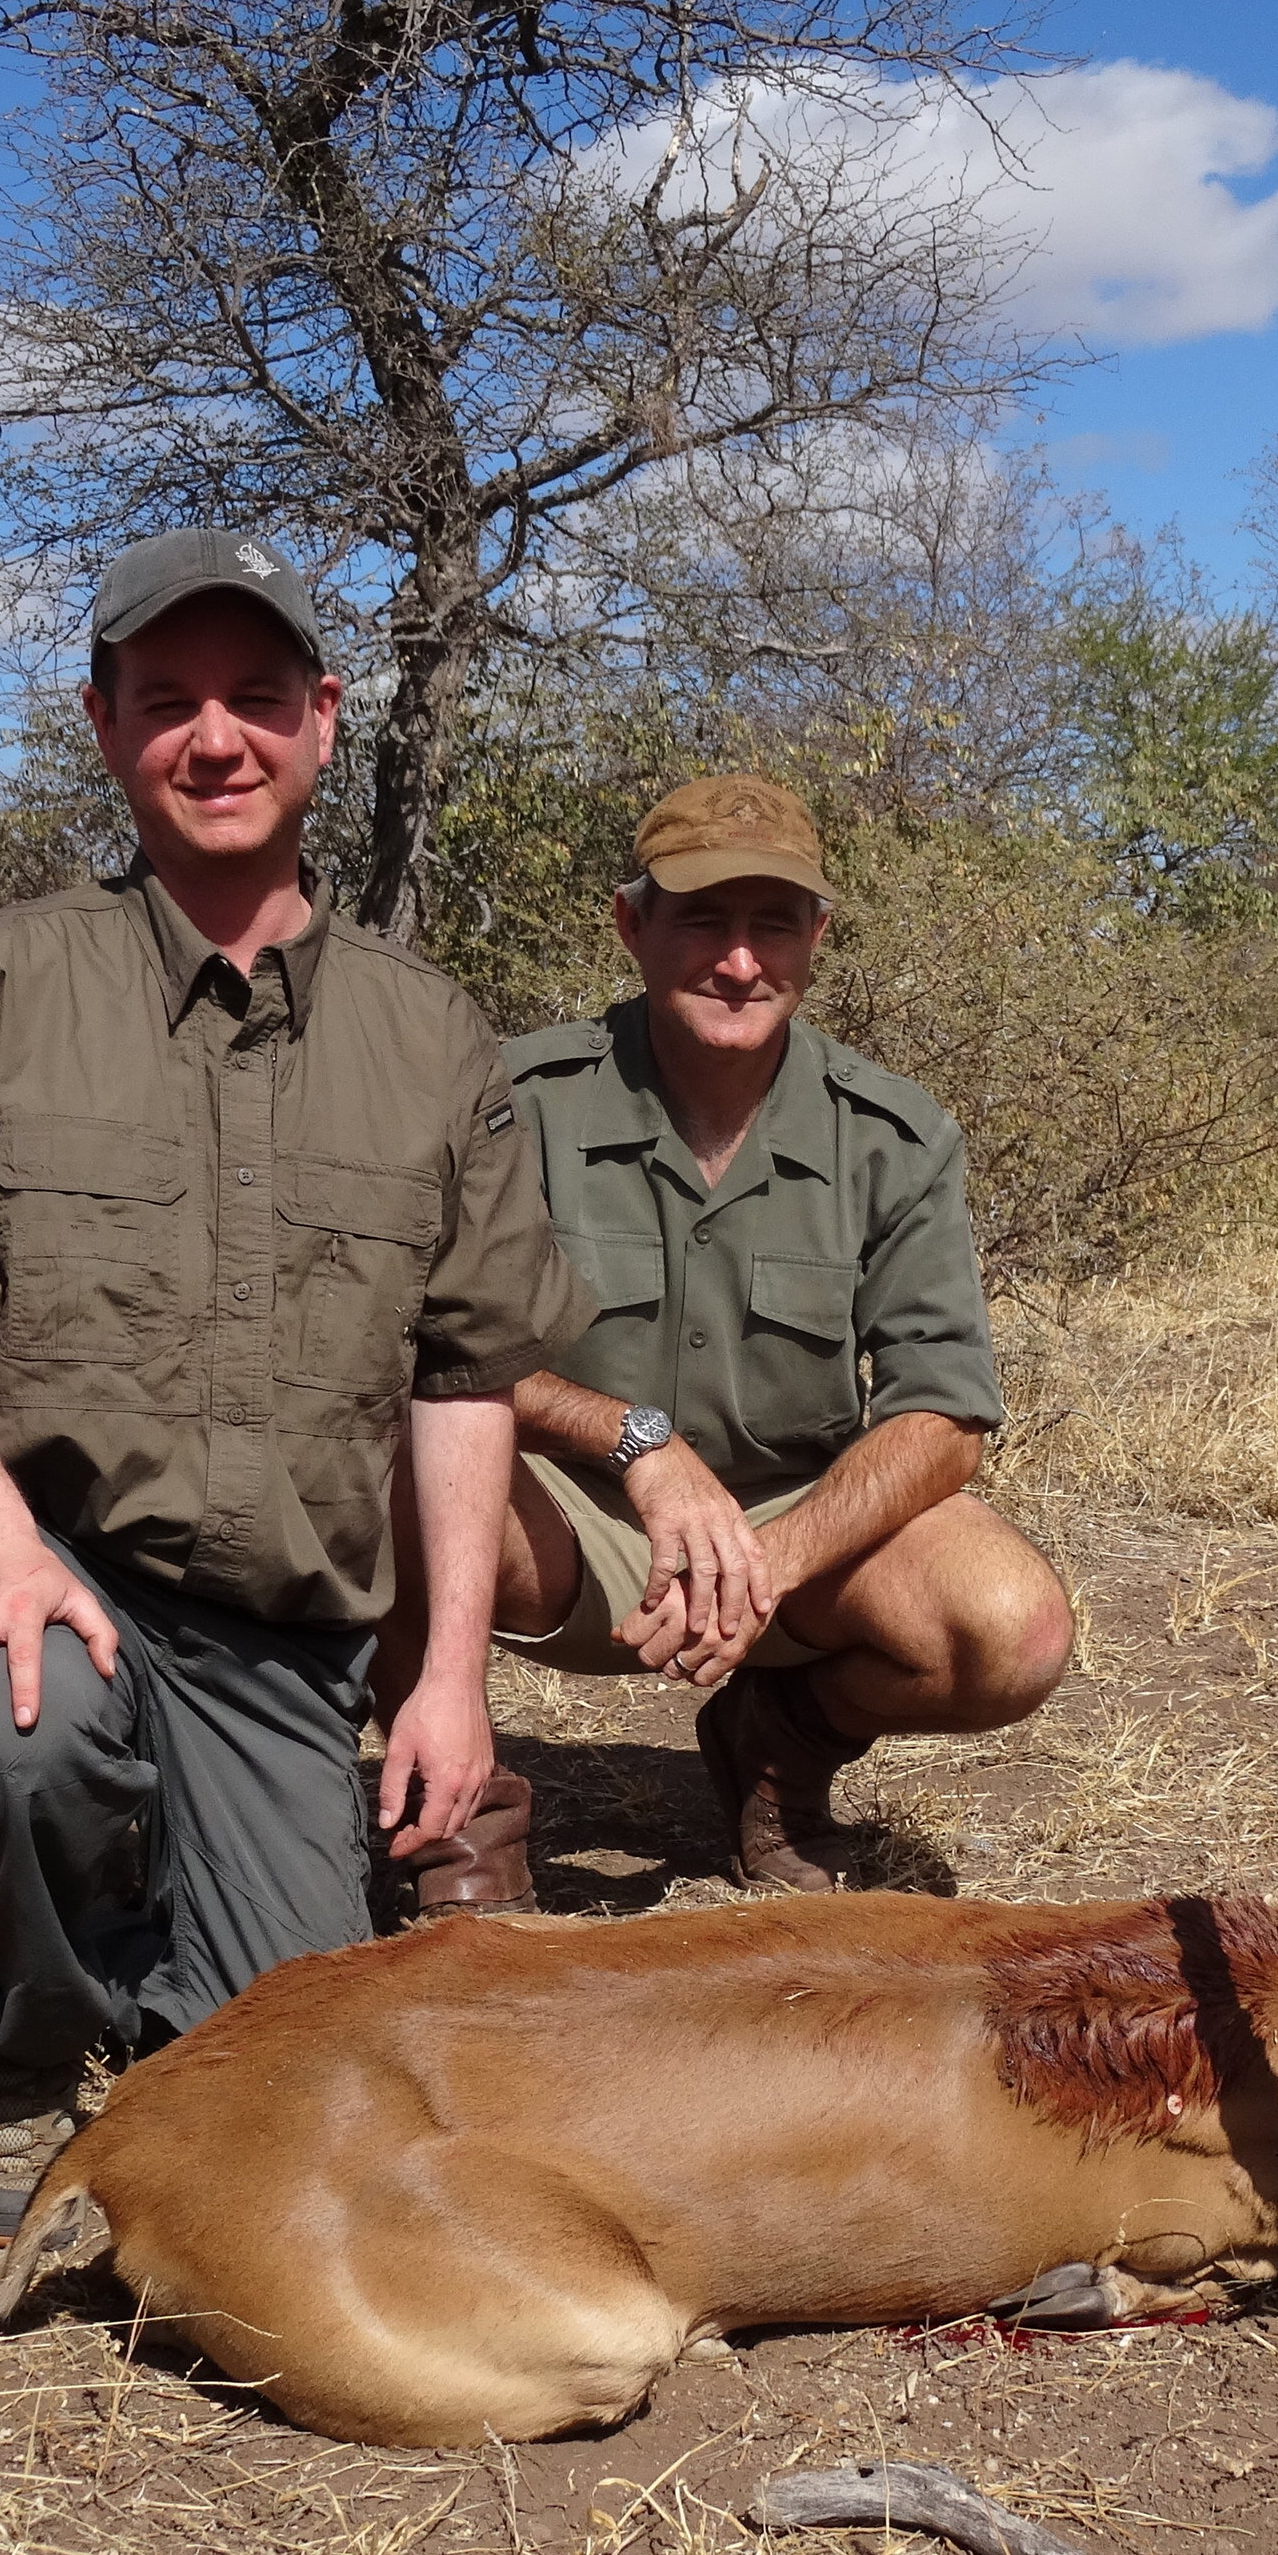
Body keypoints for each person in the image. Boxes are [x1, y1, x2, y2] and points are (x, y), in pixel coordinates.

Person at [0, 528, 590, 2238]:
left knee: (288, 2072)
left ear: (321, 721)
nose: (213, 739)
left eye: (252, 699)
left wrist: (449, 1674)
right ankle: (22, 2044)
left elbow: (463, 1376)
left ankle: (140, 1901)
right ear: (102, 726)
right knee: (28, 1737)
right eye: (166, 702)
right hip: (43, 1549)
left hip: (270, 1626)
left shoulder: (428, 1034)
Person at [379, 773, 1074, 1898]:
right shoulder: (515, 1097)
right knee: (372, 1477)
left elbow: (944, 1418)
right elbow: (418, 1346)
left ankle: (779, 1744)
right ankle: (462, 1823)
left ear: (817, 935)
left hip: (790, 1548)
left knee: (1013, 1627)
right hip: (557, 1519)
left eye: (774, 924)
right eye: (702, 918)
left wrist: (777, 1563)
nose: (740, 961)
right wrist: (636, 1444)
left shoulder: (895, 1136)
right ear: (632, 925)